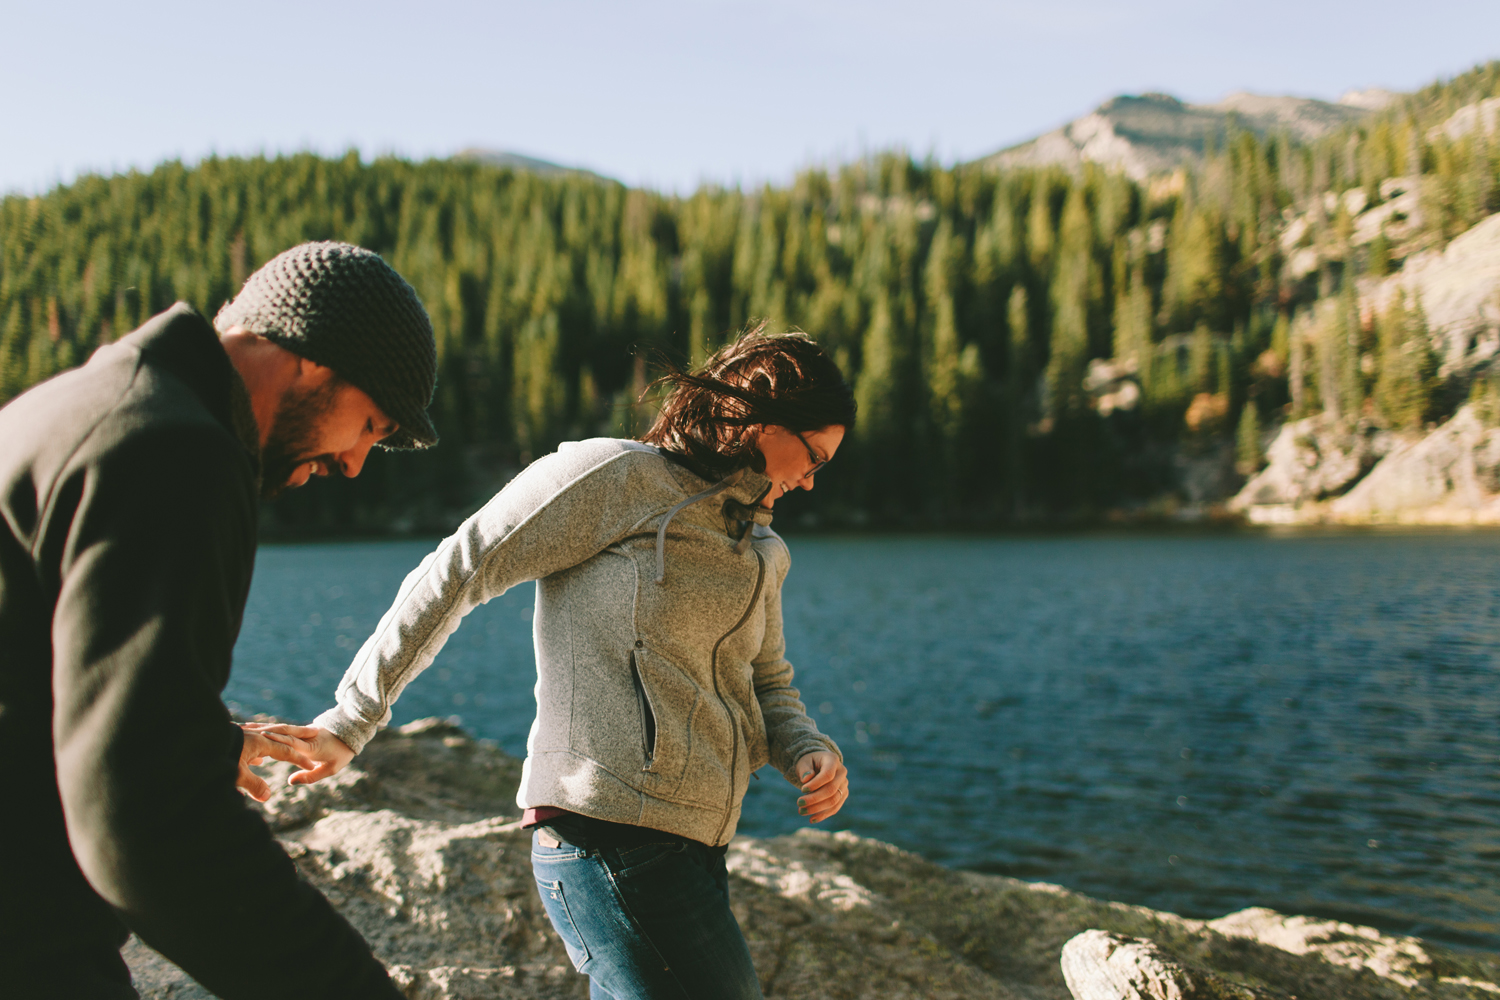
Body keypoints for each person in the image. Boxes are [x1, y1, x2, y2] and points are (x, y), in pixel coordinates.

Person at [255, 329, 855, 999]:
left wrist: (807, 749)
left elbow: (766, 679)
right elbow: (459, 568)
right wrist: (353, 718)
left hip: (695, 848)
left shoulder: (758, 544)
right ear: (760, 418)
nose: (808, 480)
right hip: (604, 838)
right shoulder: (617, 477)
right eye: (812, 457)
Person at [0, 241, 438, 998]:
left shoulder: (79, 406)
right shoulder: (173, 451)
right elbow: (146, 815)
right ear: (311, 358)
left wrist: (200, 736)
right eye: (368, 425)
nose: (356, 463)